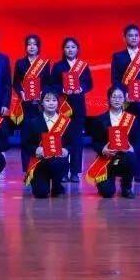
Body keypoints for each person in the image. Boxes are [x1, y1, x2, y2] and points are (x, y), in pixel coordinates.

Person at [110, 24, 140, 183]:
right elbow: (115, 80)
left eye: (136, 35)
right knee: (122, 137)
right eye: (130, 35)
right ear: (124, 38)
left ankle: (138, 173)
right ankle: (122, 172)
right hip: (124, 104)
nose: (134, 38)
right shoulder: (118, 56)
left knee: (139, 139)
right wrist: (124, 95)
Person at [50, 37, 93, 182]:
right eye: (67, 47)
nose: (70, 50)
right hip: (62, 107)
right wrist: (62, 89)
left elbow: (89, 83)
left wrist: (81, 88)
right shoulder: (58, 66)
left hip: (78, 108)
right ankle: (62, 172)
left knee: (77, 141)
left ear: (77, 49)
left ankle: (75, 172)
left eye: (73, 47)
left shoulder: (83, 66)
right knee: (62, 140)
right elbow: (51, 85)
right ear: (63, 50)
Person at [85, 87, 139, 198]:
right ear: (109, 99)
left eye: (120, 97)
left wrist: (132, 148)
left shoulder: (131, 119)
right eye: (114, 97)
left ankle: (126, 187)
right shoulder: (100, 119)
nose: (117, 100)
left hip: (124, 157)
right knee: (107, 193)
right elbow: (95, 142)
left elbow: (137, 141)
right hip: (106, 159)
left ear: (124, 99)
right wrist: (103, 149)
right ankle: (106, 181)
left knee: (132, 158)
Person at [22, 91, 72, 198]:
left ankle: (57, 185)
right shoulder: (32, 122)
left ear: (58, 103)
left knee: (56, 190)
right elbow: (26, 144)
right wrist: (36, 150)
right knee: (40, 193)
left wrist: (66, 150)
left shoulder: (66, 122)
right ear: (42, 103)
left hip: (58, 161)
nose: (51, 103)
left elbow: (72, 143)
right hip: (40, 163)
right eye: (47, 100)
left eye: (54, 100)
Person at [12, 34, 51, 171]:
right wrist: (21, 92)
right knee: (26, 138)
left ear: (38, 47)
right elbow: (16, 83)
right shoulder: (20, 63)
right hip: (26, 106)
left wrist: (42, 93)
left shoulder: (45, 63)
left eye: (34, 44)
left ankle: (42, 168)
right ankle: (27, 170)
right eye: (29, 44)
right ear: (26, 47)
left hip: (41, 107)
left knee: (42, 137)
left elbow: (48, 83)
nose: (32, 47)